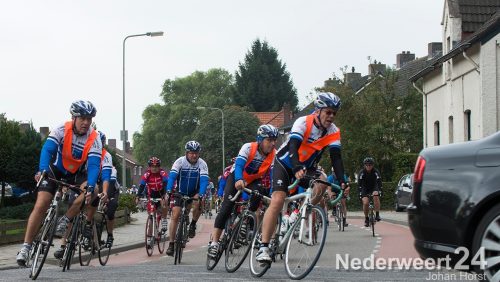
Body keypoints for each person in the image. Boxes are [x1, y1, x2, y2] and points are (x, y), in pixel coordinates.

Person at [256, 92, 349, 263]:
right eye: (328, 112)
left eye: (334, 113)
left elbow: (336, 158)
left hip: (307, 168)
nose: (331, 117)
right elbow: (293, 146)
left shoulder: (334, 132)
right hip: (285, 163)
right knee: (278, 199)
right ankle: (263, 246)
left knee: (323, 181)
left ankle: (299, 213)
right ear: (318, 110)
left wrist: (342, 180)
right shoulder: (303, 122)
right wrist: (297, 166)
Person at [16, 100, 102, 266]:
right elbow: (48, 149)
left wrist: (90, 184)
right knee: (41, 203)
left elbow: (93, 165)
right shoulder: (62, 129)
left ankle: (66, 219)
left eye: (89, 119)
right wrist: (42, 170)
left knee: (94, 189)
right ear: (73, 117)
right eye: (82, 118)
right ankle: (26, 247)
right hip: (56, 169)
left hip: (78, 173)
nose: (86, 122)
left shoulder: (94, 138)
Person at [207, 124, 278, 259]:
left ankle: (244, 220)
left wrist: (275, 191)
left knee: (258, 193)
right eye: (269, 140)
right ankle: (215, 242)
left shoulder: (275, 154)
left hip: (254, 180)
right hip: (236, 177)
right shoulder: (248, 147)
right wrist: (239, 179)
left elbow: (274, 173)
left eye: (274, 140)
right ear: (260, 139)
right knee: (226, 207)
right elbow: (239, 165)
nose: (272, 143)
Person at [53, 131, 115, 258]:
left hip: (98, 181)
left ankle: (87, 224)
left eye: (100, 143)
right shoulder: (86, 150)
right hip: (82, 180)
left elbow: (106, 176)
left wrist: (104, 192)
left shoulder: (106, 156)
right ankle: (63, 245)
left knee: (95, 198)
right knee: (72, 210)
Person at [165, 141, 209, 256]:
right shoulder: (179, 162)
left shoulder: (202, 164)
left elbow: (204, 181)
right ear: (186, 153)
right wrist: (169, 190)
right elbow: (172, 177)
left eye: (196, 153)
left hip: (194, 191)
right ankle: (171, 244)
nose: (194, 155)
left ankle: (193, 224)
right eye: (191, 153)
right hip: (180, 191)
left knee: (198, 203)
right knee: (175, 214)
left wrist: (201, 194)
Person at [136, 157, 169, 236]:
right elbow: (142, 186)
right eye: (152, 166)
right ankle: (150, 236)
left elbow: (166, 184)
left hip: (161, 192)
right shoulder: (147, 174)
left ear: (159, 167)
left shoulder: (162, 173)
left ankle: (164, 219)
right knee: (151, 213)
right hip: (151, 194)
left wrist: (164, 195)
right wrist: (138, 196)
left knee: (164, 203)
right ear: (149, 167)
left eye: (156, 166)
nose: (154, 168)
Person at [358, 157, 382, 226]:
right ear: (364, 165)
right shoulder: (362, 172)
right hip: (364, 188)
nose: (368, 166)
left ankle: (377, 215)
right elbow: (359, 184)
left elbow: (379, 182)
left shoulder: (375, 172)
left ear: (373, 165)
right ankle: (366, 218)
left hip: (373, 187)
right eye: (367, 165)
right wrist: (360, 193)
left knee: (376, 196)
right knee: (365, 203)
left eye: (370, 165)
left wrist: (379, 191)